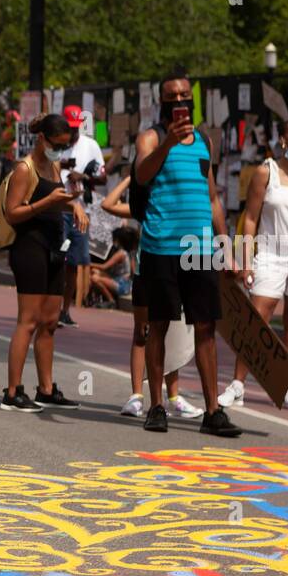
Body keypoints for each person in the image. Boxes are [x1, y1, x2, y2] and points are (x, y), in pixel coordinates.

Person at [134, 73, 240, 436]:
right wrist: (167, 144)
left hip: (201, 248)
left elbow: (212, 197)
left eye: (184, 94)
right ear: (161, 101)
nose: (179, 100)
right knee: (158, 324)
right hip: (160, 245)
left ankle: (213, 412)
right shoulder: (150, 137)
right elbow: (142, 176)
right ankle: (157, 406)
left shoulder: (205, 141)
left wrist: (226, 246)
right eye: (171, 96)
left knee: (206, 326)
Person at [218, 120, 288, 413]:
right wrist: (244, 261)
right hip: (272, 252)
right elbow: (251, 219)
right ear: (282, 140)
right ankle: (238, 385)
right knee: (257, 318)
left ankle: (284, 386)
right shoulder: (264, 172)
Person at [0, 114, 86, 413]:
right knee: (29, 321)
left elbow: (55, 198)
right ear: (42, 139)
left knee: (50, 322)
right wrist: (45, 204)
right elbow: (13, 212)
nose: (60, 151)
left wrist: (73, 204)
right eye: (57, 145)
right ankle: (12, 392)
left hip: (54, 245)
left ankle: (46, 389)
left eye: (64, 146)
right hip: (29, 247)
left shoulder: (54, 165)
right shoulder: (25, 168)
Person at [100, 175, 204, 419]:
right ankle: (136, 396)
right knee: (142, 333)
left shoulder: (181, 207)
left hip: (176, 274)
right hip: (145, 274)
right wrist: (131, 177)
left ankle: (174, 397)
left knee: (172, 336)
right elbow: (108, 204)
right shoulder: (145, 207)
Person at [58, 106, 106, 327]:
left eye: (77, 128)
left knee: (74, 262)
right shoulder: (55, 145)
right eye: (70, 128)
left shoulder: (91, 146)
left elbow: (102, 178)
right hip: (58, 208)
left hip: (81, 210)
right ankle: (49, 306)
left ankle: (64, 310)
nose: (74, 133)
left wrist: (83, 176)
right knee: (56, 258)